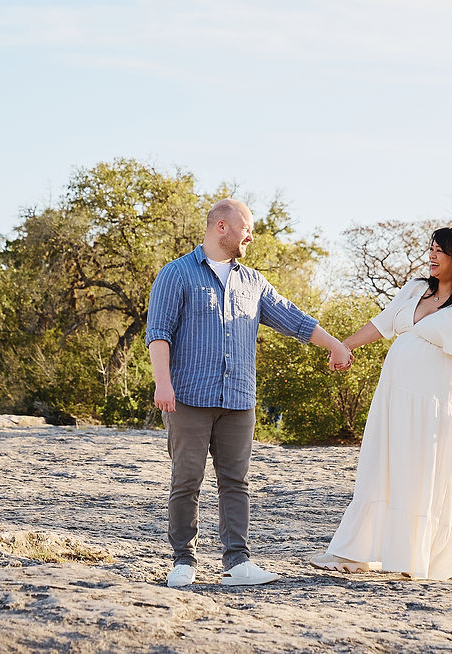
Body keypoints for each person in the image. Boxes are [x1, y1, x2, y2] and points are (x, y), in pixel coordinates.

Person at [146, 198, 352, 587]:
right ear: (222, 227)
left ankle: (237, 563)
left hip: (239, 400)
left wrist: (334, 344)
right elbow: (157, 333)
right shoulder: (177, 275)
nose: (251, 235)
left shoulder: (253, 281)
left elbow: (292, 318)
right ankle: (183, 561)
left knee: (235, 482)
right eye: (247, 227)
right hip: (187, 397)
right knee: (186, 480)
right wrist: (163, 383)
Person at [310, 226, 452, 581]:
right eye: (431, 248)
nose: (432, 255)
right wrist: (343, 346)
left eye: (440, 250)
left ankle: (413, 557)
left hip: (436, 402)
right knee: (381, 464)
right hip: (394, 395)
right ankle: (355, 553)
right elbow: (380, 325)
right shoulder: (414, 289)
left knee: (421, 471)